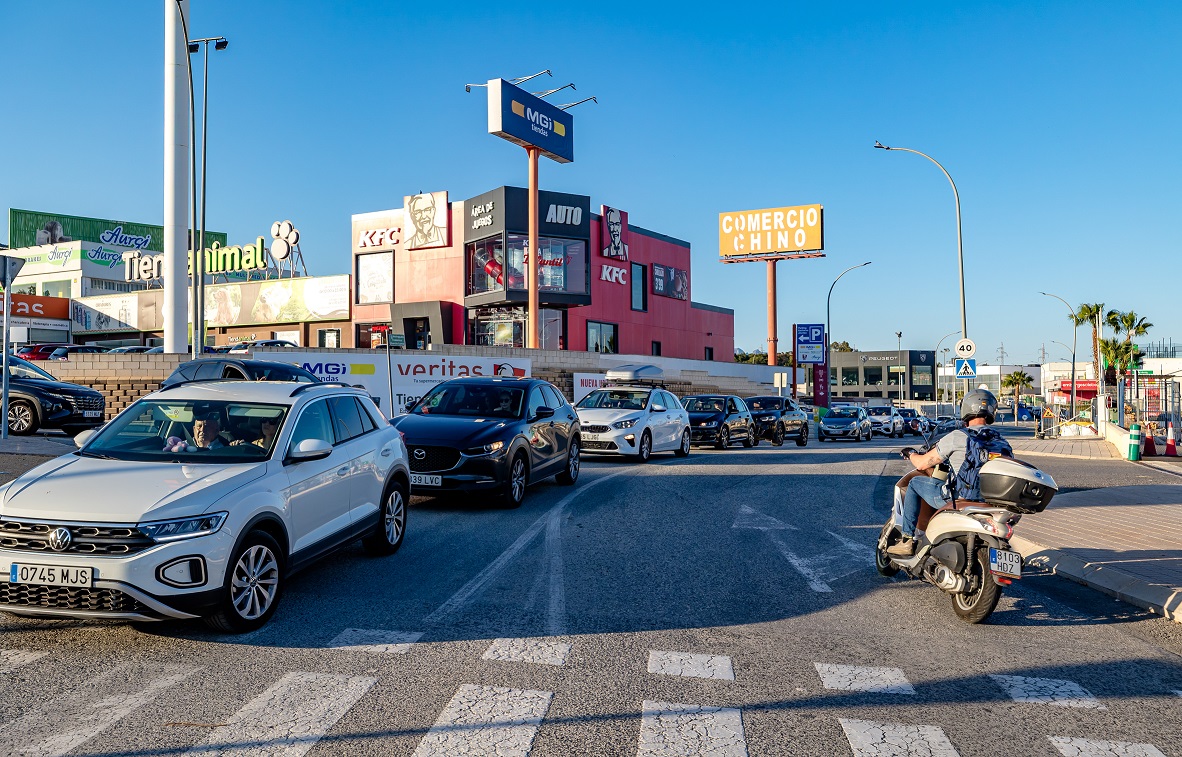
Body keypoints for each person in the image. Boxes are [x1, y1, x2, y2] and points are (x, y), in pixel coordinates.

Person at [887, 389, 1006, 557]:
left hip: (959, 497)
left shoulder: (958, 436)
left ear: (966, 409)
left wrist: (910, 454)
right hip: (991, 500)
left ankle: (907, 540)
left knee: (914, 484)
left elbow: (923, 463)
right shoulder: (1001, 441)